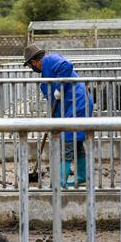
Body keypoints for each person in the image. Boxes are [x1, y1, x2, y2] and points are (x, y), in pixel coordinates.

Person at [23, 44, 93, 187]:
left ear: (33, 62)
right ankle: (81, 176)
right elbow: (54, 102)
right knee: (76, 142)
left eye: (30, 66)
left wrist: (60, 87)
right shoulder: (44, 80)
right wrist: (55, 123)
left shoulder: (49, 60)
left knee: (67, 142)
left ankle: (60, 182)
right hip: (71, 106)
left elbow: (67, 66)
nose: (32, 69)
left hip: (78, 102)